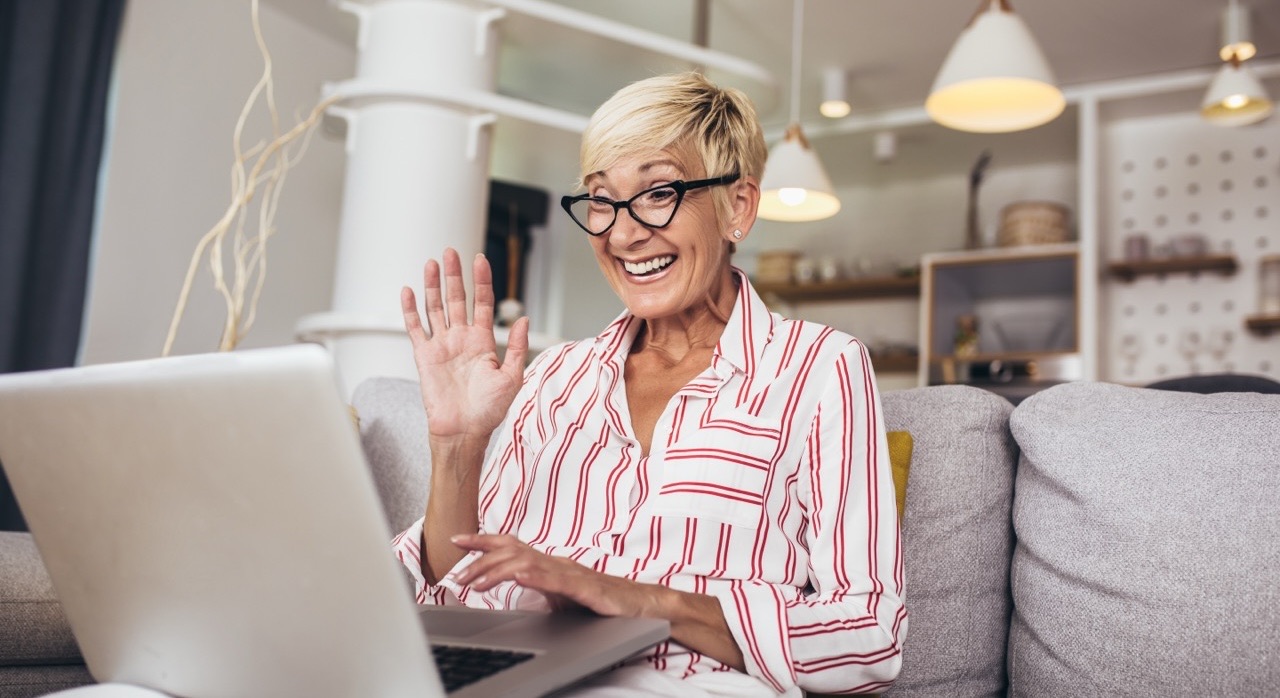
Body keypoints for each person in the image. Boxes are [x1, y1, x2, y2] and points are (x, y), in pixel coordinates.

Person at [392, 72, 905, 697]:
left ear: (737, 206)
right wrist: (458, 445)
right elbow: (461, 593)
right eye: (601, 200)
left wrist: (638, 601)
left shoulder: (819, 368)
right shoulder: (556, 376)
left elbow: (869, 635)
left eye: (658, 192)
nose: (622, 233)